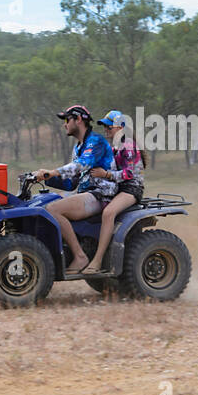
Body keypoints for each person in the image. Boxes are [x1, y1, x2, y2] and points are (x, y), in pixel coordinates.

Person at [35, 104, 116, 275]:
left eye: (66, 119)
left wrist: (53, 171)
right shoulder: (78, 147)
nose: (64, 124)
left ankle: (80, 257)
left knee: (53, 210)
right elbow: (72, 183)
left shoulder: (96, 141)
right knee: (45, 202)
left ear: (78, 119)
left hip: (101, 194)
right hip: (86, 193)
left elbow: (81, 165)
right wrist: (48, 179)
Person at [80, 109, 145, 274]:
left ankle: (97, 260)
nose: (106, 129)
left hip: (131, 188)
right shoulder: (114, 146)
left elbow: (129, 174)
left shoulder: (128, 145)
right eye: (104, 126)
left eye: (110, 126)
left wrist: (106, 174)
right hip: (116, 187)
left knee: (108, 213)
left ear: (121, 127)